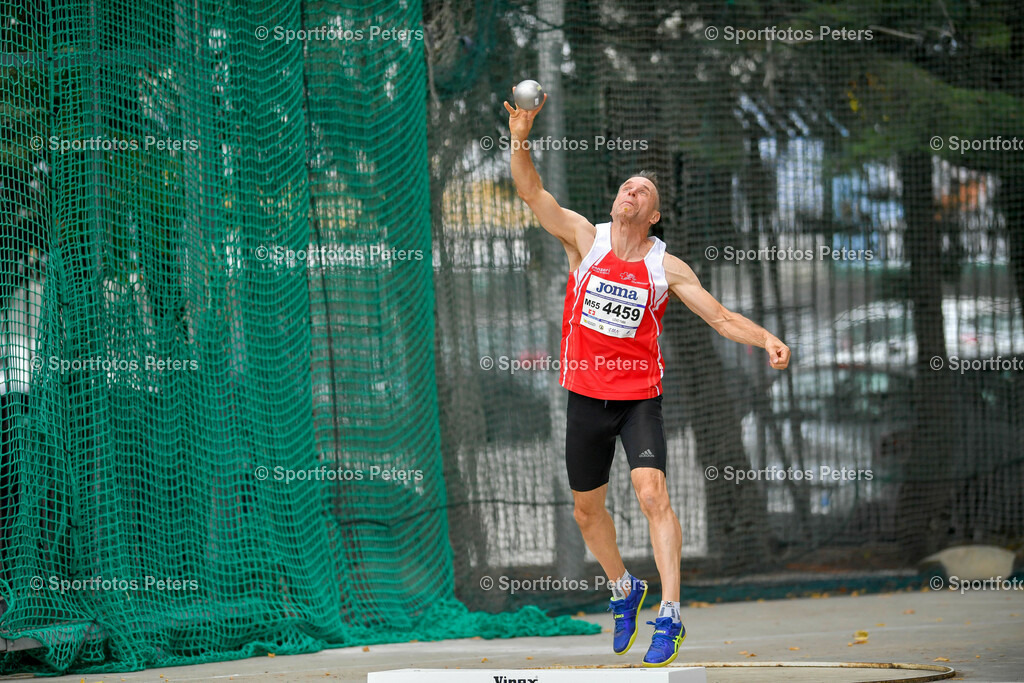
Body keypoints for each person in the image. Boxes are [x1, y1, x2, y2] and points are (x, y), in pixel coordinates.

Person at [504, 91, 790, 667]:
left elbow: (720, 317)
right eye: (625, 187)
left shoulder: (666, 266)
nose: (629, 193)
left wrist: (765, 338)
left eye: (642, 191)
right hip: (586, 397)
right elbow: (532, 192)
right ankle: (623, 587)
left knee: (652, 492)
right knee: (587, 512)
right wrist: (519, 140)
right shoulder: (585, 239)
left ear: (653, 215)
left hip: (639, 400)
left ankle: (671, 615)